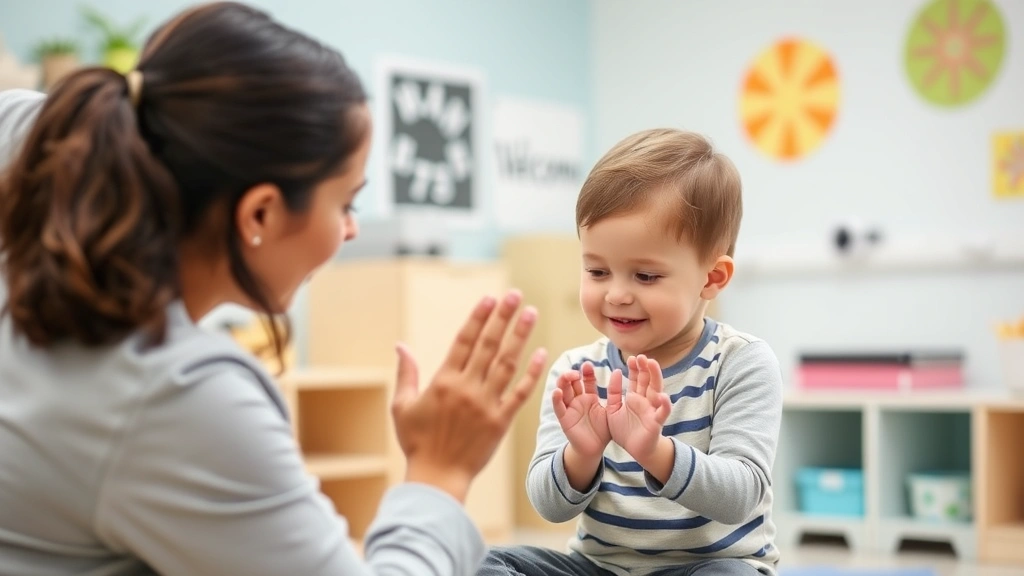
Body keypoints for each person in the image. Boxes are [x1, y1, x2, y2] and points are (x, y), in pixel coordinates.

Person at [0, 2, 547, 575]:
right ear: (259, 214)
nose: (352, 229)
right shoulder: (176, 394)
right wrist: (440, 473)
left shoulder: (33, 174)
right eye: (346, 203)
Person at [479, 129, 783, 576]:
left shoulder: (741, 363)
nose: (616, 294)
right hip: (599, 568)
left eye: (645, 276)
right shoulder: (578, 372)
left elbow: (740, 496)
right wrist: (580, 456)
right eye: (597, 271)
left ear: (712, 278)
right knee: (481, 562)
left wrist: (656, 452)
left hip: (706, 567)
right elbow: (549, 506)